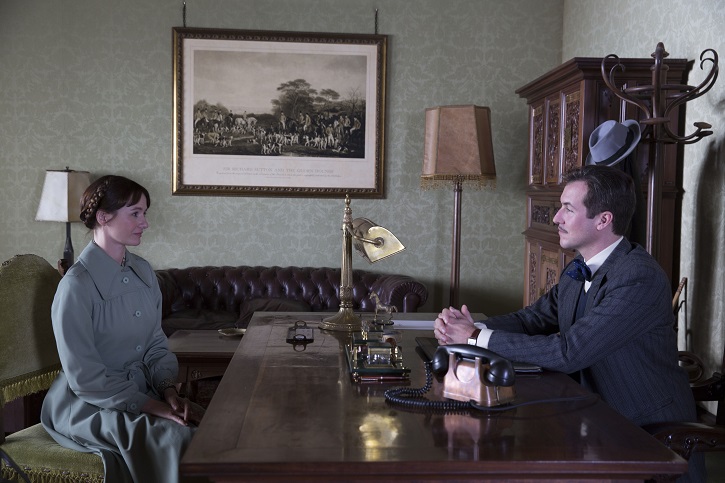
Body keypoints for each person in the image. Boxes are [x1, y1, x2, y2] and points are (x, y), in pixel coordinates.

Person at [434, 165, 702, 481]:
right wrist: (466, 328)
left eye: (568, 209)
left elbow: (569, 352)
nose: (557, 217)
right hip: (588, 417)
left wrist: (476, 336)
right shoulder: (579, 267)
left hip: (645, 432)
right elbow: (532, 319)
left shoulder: (638, 278)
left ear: (604, 220)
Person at [41, 175, 203, 483]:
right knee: (179, 439)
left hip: (144, 392)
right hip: (88, 404)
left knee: (212, 428)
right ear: (104, 217)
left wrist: (168, 391)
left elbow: (156, 342)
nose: (145, 223)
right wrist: (151, 406)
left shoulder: (143, 272)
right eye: (135, 213)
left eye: (144, 213)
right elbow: (85, 377)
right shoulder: (75, 287)